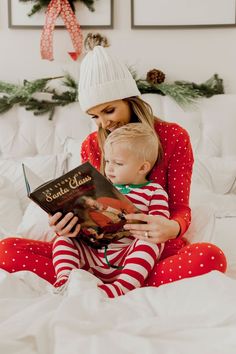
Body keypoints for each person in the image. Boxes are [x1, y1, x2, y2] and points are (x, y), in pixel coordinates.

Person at [0, 40, 227, 293]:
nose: (104, 123)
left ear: (131, 100)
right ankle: (83, 281)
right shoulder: (91, 144)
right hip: (95, 252)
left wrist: (173, 227)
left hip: (148, 251)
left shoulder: (173, 137)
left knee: (210, 257)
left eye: (109, 110)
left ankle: (121, 285)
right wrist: (65, 223)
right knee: (6, 250)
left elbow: (180, 207)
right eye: (95, 116)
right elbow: (86, 207)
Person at [52, 123, 169, 296]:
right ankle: (65, 278)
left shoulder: (154, 191)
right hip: (93, 254)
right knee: (63, 239)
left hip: (127, 257)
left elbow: (159, 225)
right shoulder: (101, 186)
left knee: (151, 242)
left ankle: (120, 288)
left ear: (143, 167)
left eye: (118, 163)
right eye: (107, 161)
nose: (109, 168)